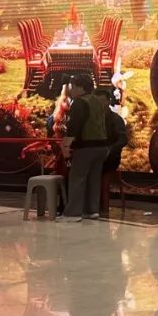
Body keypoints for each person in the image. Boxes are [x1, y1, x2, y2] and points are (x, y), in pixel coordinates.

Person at [57, 74, 110, 222]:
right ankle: (91, 210)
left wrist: (66, 145)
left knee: (77, 179)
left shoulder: (79, 103)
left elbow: (74, 127)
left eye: (73, 86)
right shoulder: (97, 101)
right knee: (94, 179)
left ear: (80, 87)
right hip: (102, 146)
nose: (71, 90)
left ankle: (72, 214)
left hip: (86, 146)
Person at [95, 88, 128, 216]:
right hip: (96, 155)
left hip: (110, 158)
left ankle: (101, 208)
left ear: (108, 101)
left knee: (96, 168)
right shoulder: (93, 119)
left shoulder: (116, 119)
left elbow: (123, 140)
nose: (100, 104)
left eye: (102, 101)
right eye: (97, 102)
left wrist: (110, 149)